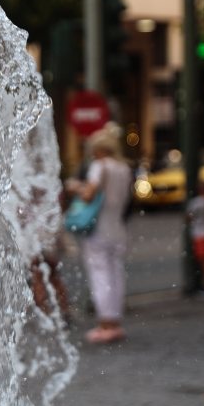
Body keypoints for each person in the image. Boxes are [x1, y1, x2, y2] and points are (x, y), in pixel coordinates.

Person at [67, 123, 132, 343]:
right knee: (115, 274)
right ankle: (115, 321)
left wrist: (76, 187)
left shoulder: (100, 166)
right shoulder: (124, 168)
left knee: (100, 275)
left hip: (99, 229)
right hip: (118, 227)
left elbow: (88, 196)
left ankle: (105, 323)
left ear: (98, 149)